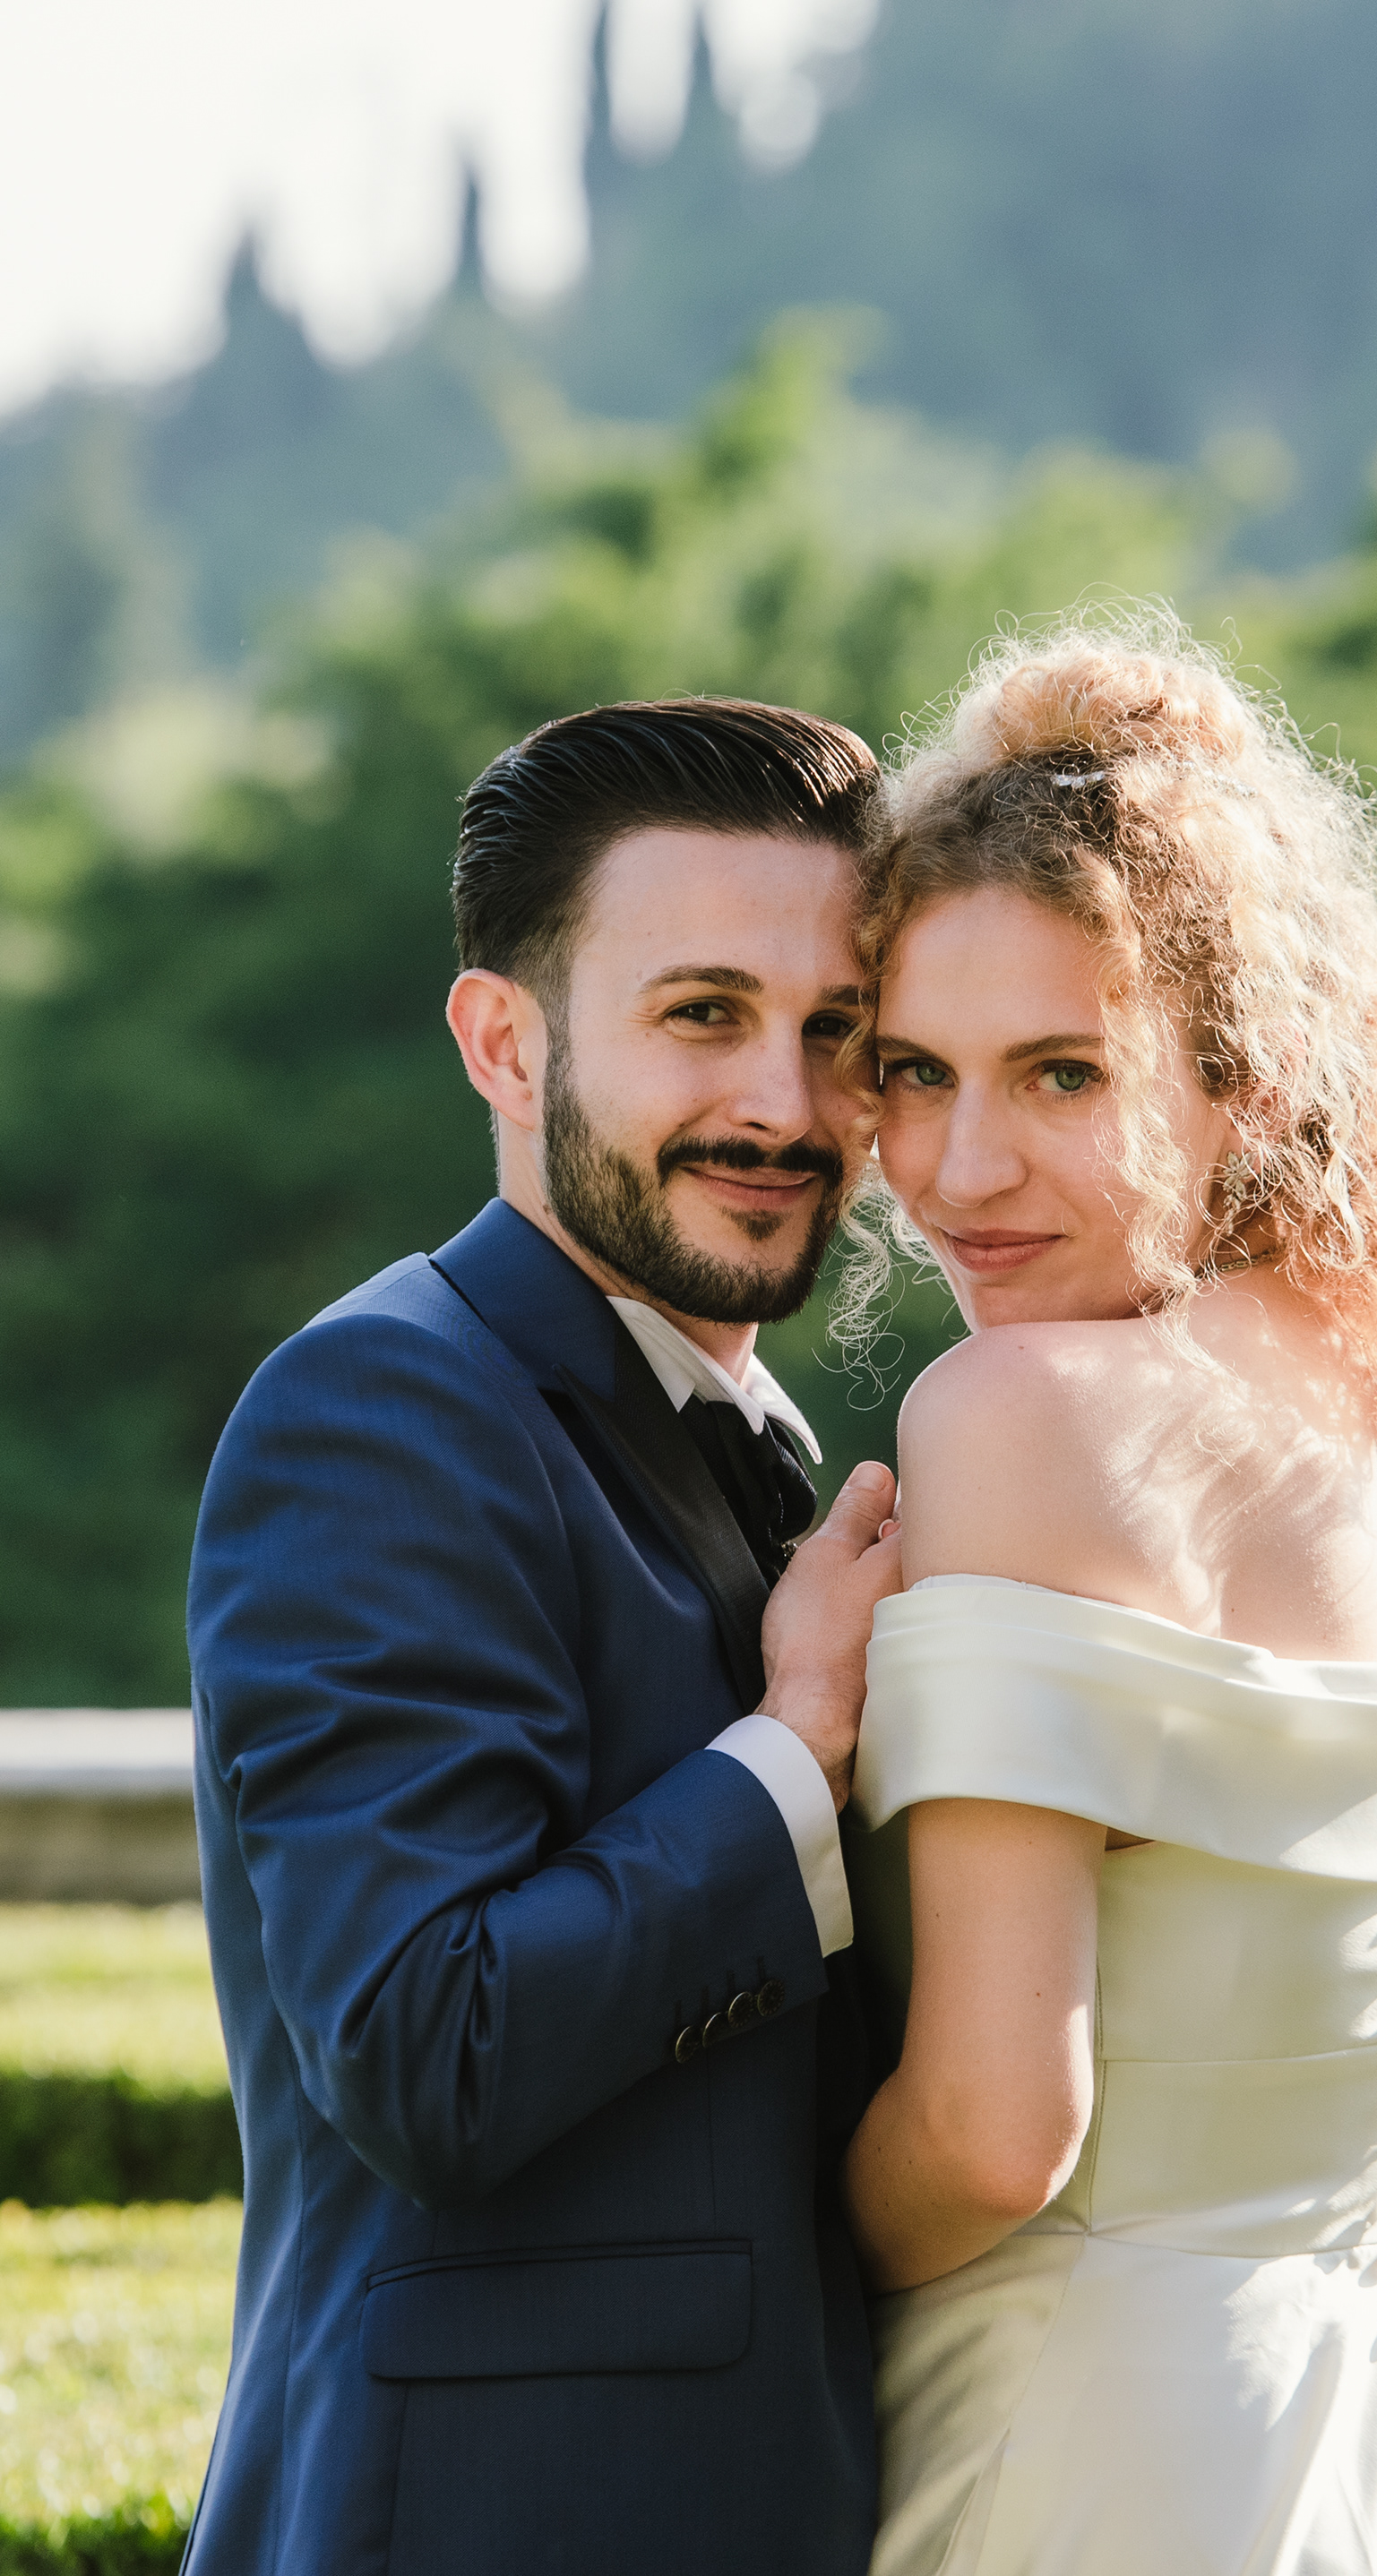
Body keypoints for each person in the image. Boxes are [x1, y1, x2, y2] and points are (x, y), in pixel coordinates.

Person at [838, 623, 1377, 2574]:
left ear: (1246, 1083)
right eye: (915, 1072)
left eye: (1063, 1074)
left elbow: (994, 2135)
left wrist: (695, 2237)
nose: (959, 1167)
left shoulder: (1018, 1412)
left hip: (1094, 2446)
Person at [182, 699, 903, 2574]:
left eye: (837, 1030)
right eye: (703, 1014)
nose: (784, 1104)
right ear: (506, 1042)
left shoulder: (754, 1444)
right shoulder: (385, 1407)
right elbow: (430, 2048)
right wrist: (794, 1748)